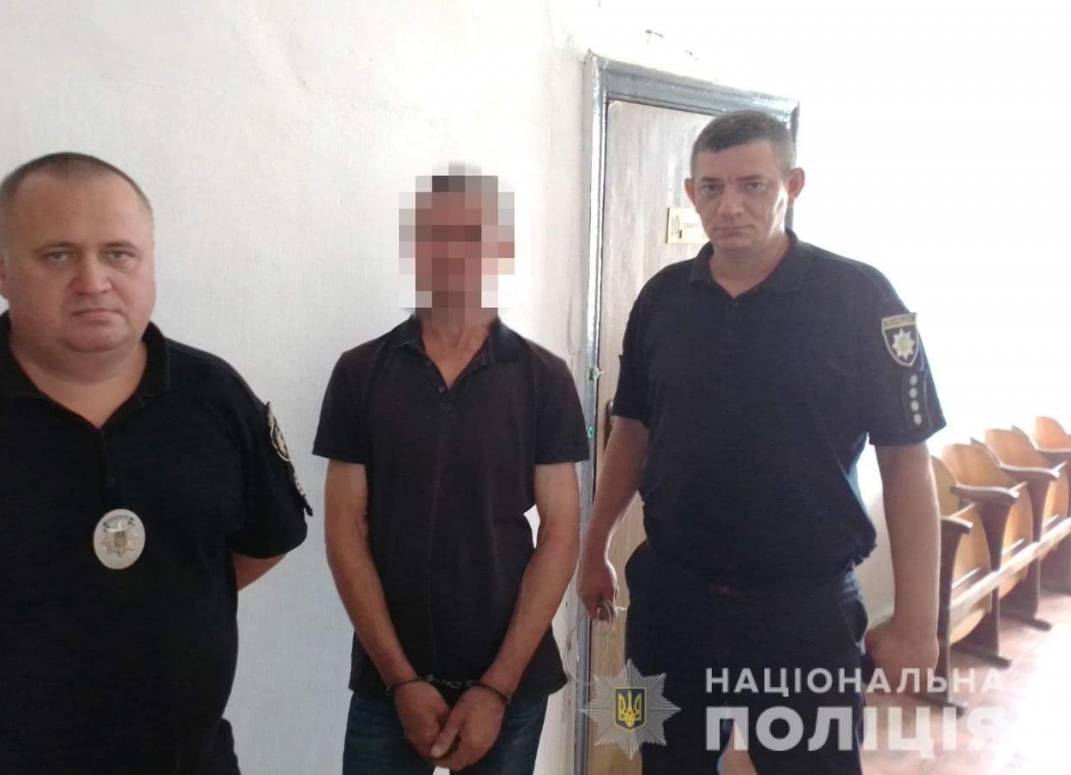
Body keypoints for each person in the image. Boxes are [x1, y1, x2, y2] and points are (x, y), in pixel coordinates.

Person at [0, 153, 310, 775]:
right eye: (57, 255)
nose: (93, 281)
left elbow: (258, 546)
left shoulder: (214, 396)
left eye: (118, 254)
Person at [578, 111, 943, 774]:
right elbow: (630, 430)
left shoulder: (861, 298)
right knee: (661, 764)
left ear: (791, 186)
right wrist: (594, 544)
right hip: (670, 606)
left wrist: (918, 623)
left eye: (753, 185)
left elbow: (906, 462)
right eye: (712, 188)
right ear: (691, 193)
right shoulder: (662, 299)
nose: (730, 206)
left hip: (804, 614)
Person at [315, 169, 588, 774]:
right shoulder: (361, 373)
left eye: (473, 235)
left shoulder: (544, 378)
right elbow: (344, 531)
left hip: (510, 683)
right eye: (436, 235)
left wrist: (496, 688)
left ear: (501, 248)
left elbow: (560, 534)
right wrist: (401, 680)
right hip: (388, 681)